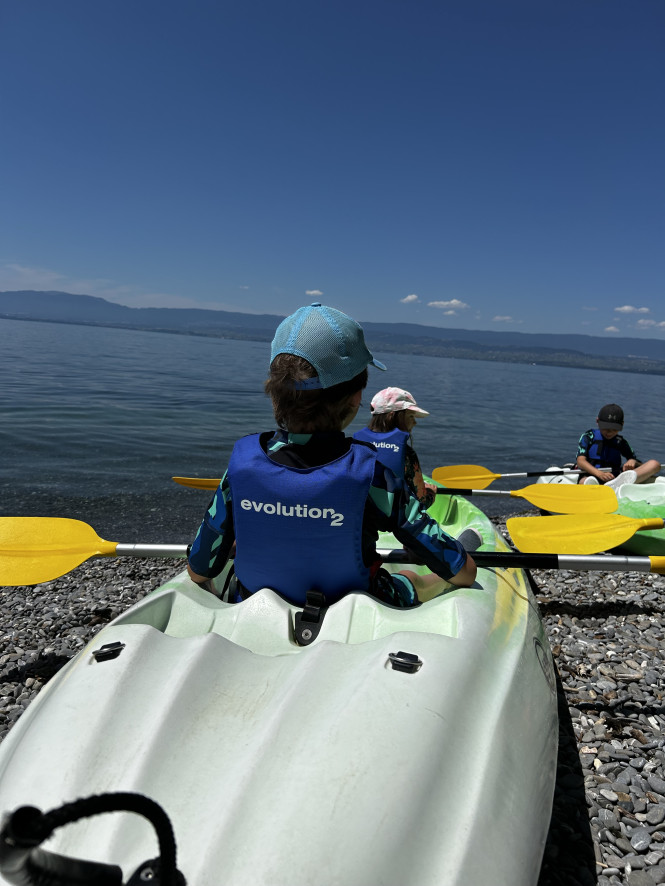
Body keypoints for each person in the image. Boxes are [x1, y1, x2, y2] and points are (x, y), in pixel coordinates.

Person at [187, 302, 476, 608]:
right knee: (412, 576)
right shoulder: (373, 475)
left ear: (274, 393)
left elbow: (198, 569)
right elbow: (464, 573)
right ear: (355, 399)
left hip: (253, 601)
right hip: (354, 606)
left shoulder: (242, 466)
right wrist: (461, 565)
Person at [353, 387, 438, 508]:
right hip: (390, 521)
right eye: (411, 416)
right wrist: (431, 493)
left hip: (360, 518)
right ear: (392, 416)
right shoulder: (407, 454)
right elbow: (422, 502)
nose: (415, 422)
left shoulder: (355, 444)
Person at [576, 403, 661, 487]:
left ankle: (617, 484)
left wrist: (633, 461)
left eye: (614, 429)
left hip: (614, 479)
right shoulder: (588, 436)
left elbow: (640, 465)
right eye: (606, 428)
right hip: (591, 475)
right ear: (597, 421)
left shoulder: (620, 442)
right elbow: (580, 461)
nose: (609, 432)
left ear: (622, 424)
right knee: (584, 481)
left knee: (655, 464)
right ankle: (595, 486)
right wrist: (599, 474)